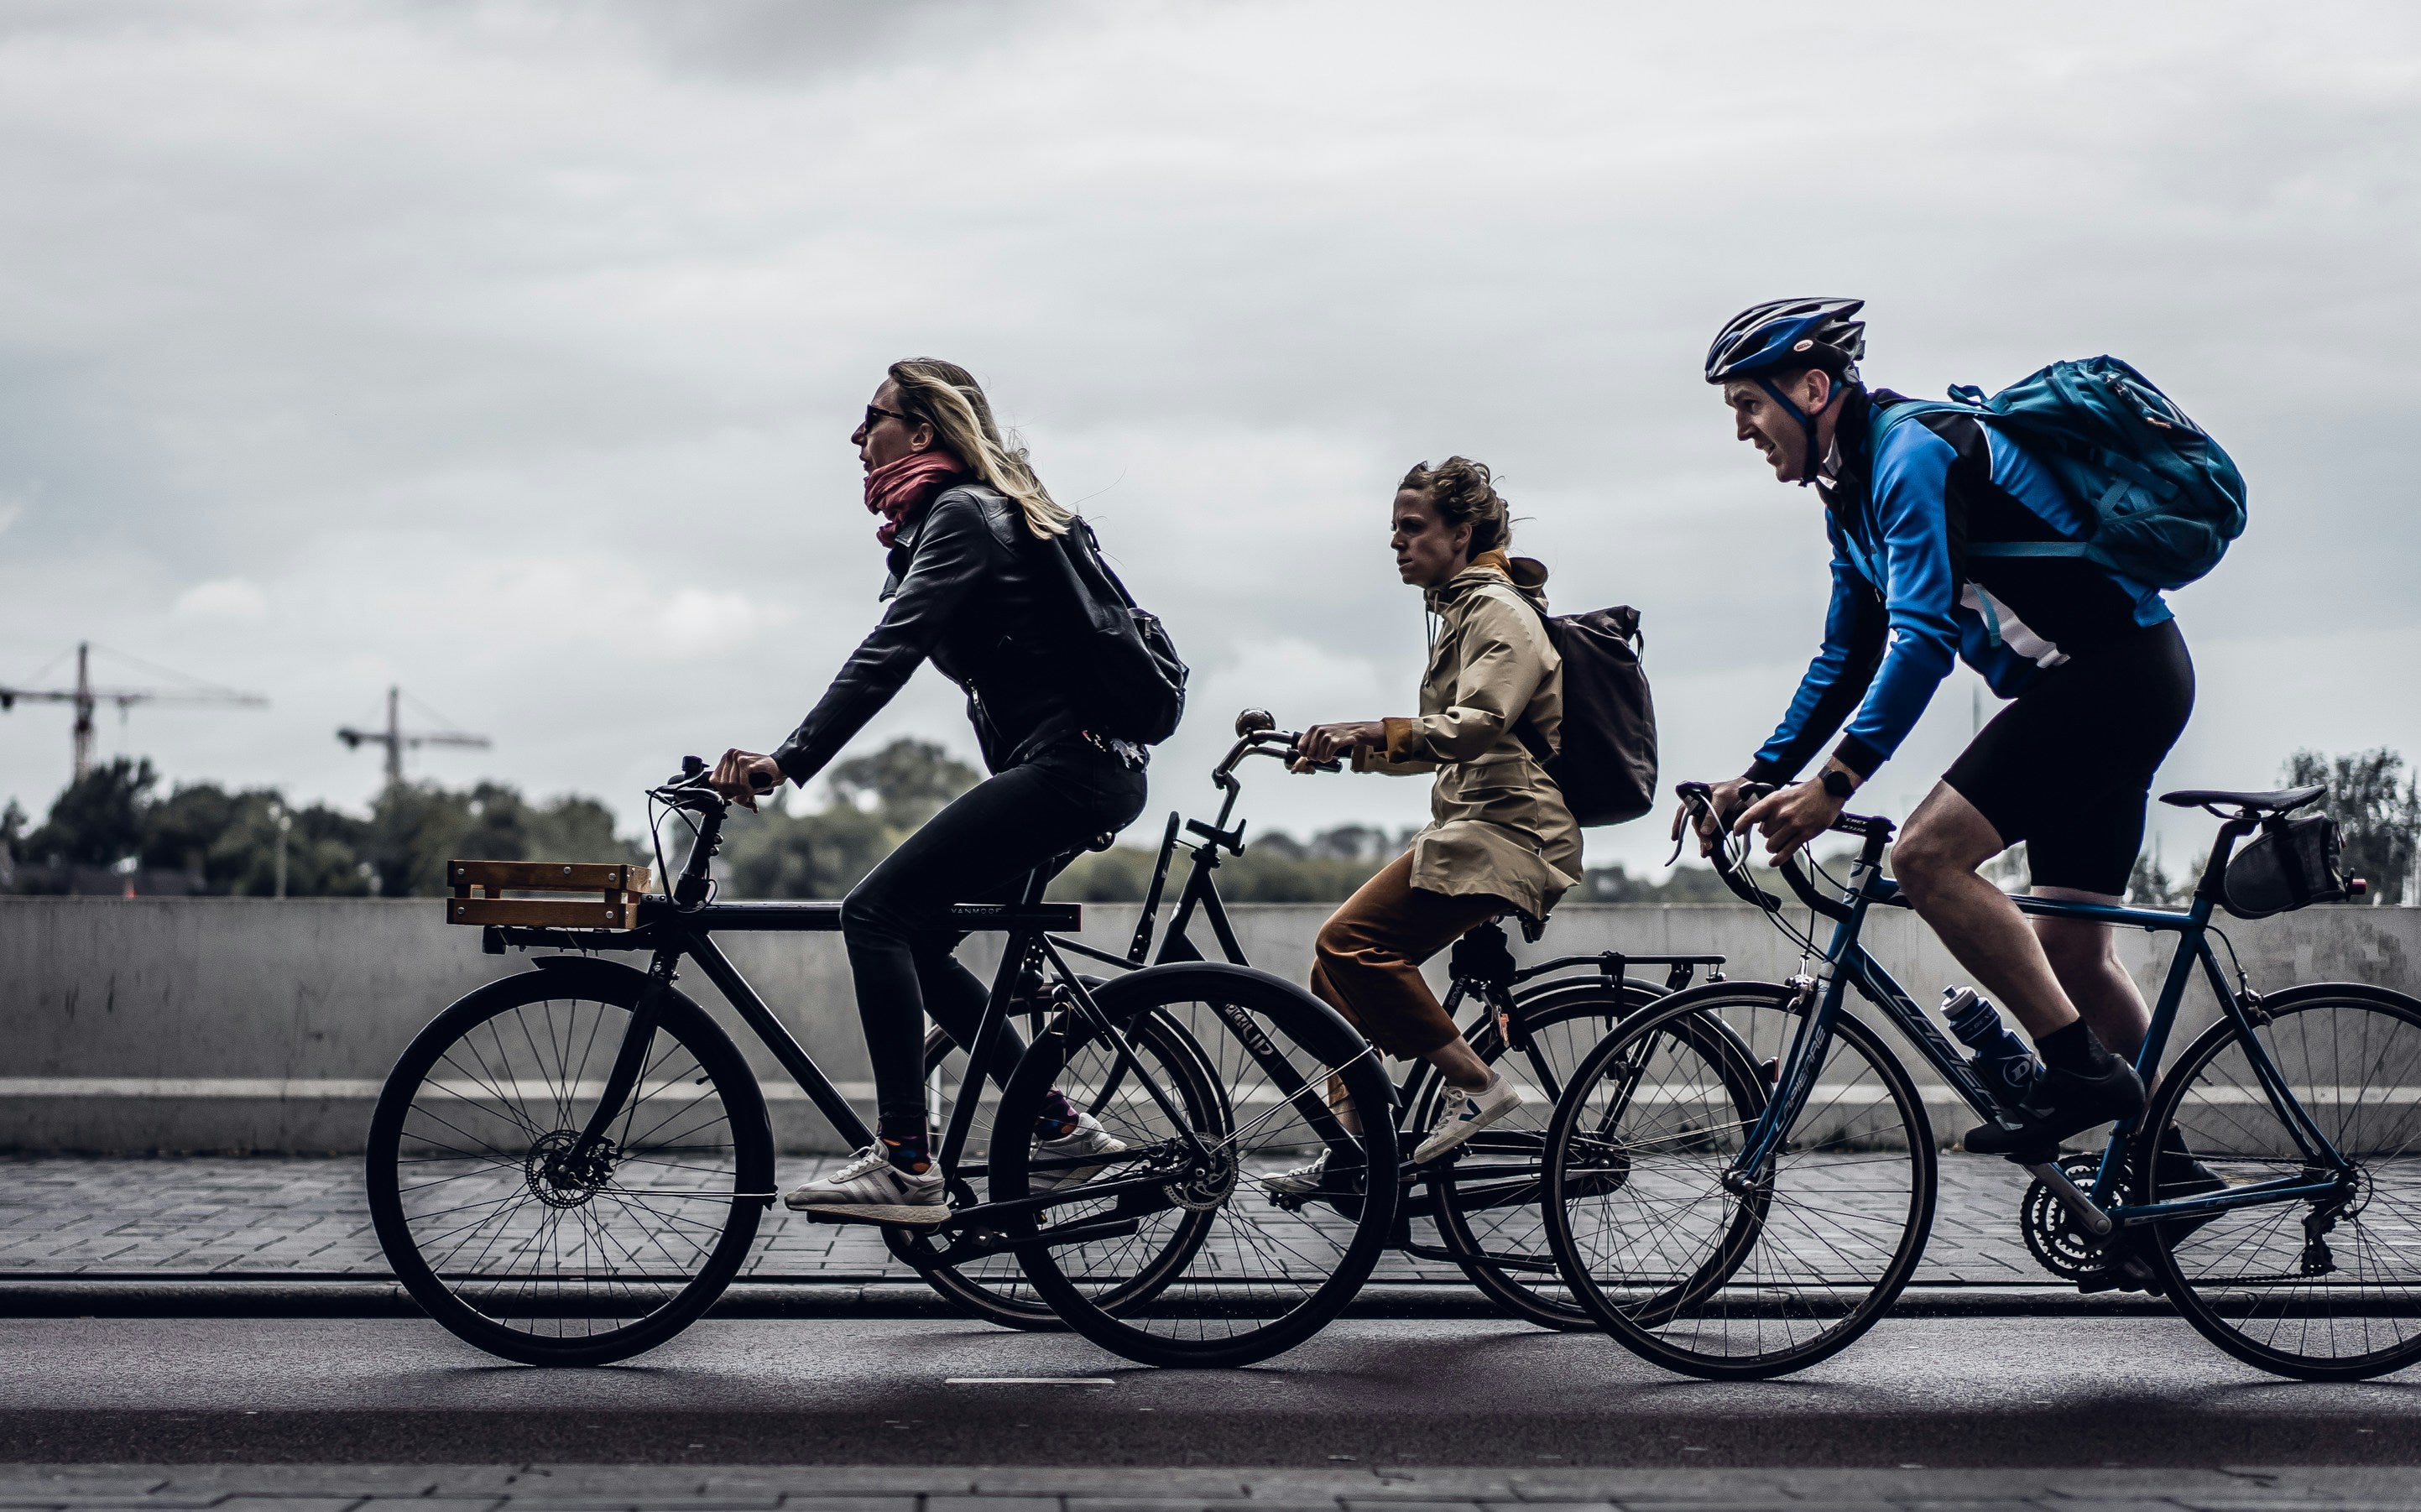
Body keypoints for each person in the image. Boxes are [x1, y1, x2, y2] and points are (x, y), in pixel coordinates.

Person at [1684, 297, 2194, 1160]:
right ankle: (2161, 1175)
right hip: (2101, 685)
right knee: (2069, 950)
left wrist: (1835, 782)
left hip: (2113, 677)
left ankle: (2081, 1074)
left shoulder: (1908, 455)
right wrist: (1764, 772)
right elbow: (1845, 653)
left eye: (1748, 404)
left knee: (1923, 856)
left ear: (1812, 387)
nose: (1741, 429)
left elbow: (1918, 641)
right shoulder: (1847, 491)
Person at [708, 358, 1148, 1226]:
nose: (854, 436)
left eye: (868, 418)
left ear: (921, 431)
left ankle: (906, 1161)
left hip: (1071, 768)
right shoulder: (964, 515)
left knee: (872, 912)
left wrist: (787, 760)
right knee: (916, 937)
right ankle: (1056, 1127)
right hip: (1084, 768)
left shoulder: (961, 515)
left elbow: (891, 649)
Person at [1272, 457, 1582, 1186]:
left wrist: (1367, 729)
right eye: (1394, 529)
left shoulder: (1498, 612)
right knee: (1333, 973)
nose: (1396, 543)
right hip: (1477, 826)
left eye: (1411, 528)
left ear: (1461, 533)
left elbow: (1475, 725)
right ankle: (1355, 1150)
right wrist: (1353, 748)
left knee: (1347, 942)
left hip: (1510, 835)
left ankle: (1476, 1085)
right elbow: (1446, 739)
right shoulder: (1465, 613)